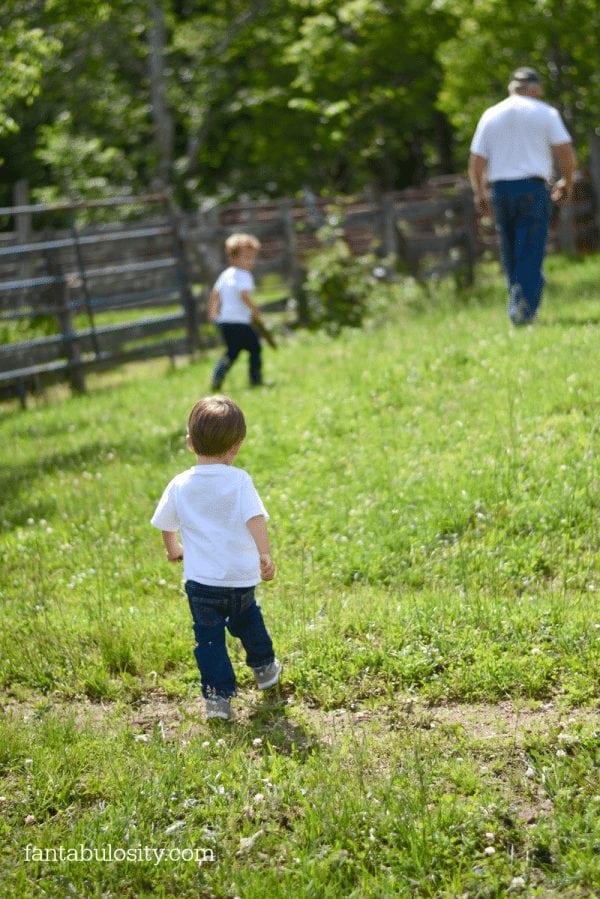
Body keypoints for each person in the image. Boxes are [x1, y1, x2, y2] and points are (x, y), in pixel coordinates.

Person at [151, 395, 281, 720]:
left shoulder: (180, 484)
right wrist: (264, 553)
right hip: (239, 578)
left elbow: (166, 523)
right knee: (248, 620)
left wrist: (173, 550)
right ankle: (265, 670)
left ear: (189, 442)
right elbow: (255, 519)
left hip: (201, 583)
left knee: (208, 641)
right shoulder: (239, 481)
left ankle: (217, 700)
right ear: (237, 446)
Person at [469, 66, 577, 325]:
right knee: (530, 249)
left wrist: (480, 193)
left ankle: (517, 303)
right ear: (536, 89)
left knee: (510, 251)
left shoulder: (491, 114)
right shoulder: (545, 112)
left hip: (502, 190)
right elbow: (565, 153)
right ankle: (524, 312)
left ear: (512, 89)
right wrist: (568, 182)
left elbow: (476, 160)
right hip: (532, 189)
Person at [208, 232, 267, 389]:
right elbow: (244, 295)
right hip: (240, 322)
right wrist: (255, 310)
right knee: (255, 348)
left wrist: (213, 314)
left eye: (253, 257)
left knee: (232, 352)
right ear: (233, 258)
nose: (251, 261)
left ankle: (216, 380)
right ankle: (256, 380)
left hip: (225, 321)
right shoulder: (244, 275)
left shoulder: (225, 274)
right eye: (247, 258)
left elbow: (215, 294)